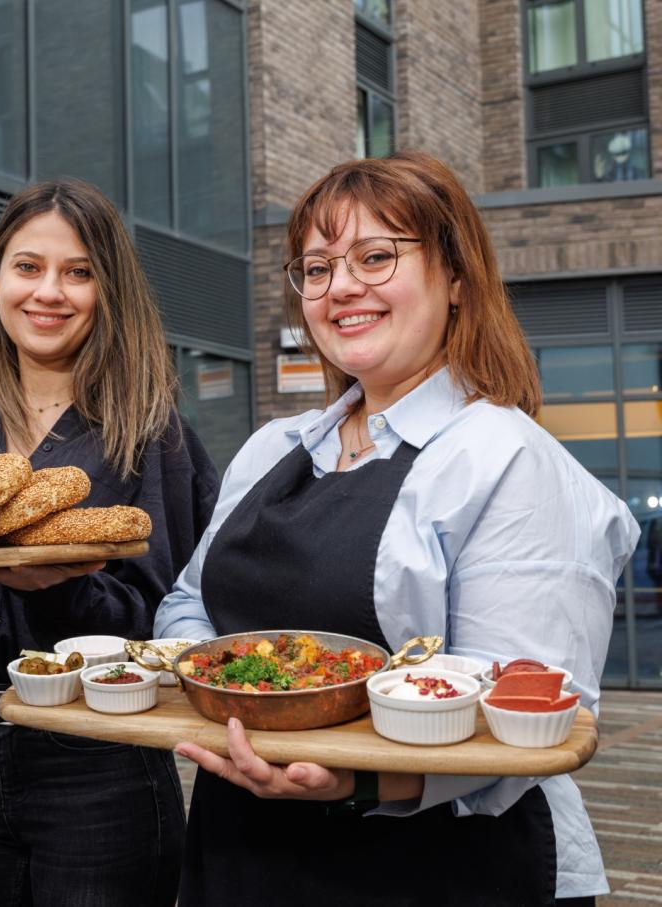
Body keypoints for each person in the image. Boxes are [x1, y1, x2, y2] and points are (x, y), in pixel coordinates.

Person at [155, 151, 640, 906]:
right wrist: (219, 681)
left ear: (455, 278)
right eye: (316, 268)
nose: (341, 285)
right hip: (238, 845)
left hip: (433, 865)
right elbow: (189, 604)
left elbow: (534, 711)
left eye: (376, 256)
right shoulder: (270, 450)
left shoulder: (508, 459)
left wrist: (355, 778)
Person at [0, 178, 219, 906]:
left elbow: (168, 619)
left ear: (109, 290)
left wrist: (59, 581)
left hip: (98, 767)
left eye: (79, 272)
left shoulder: (150, 432)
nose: (50, 292)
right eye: (28, 267)